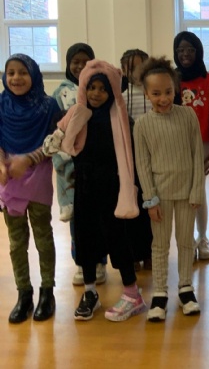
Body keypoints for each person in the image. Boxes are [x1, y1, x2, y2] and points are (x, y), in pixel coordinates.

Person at [44, 59, 146, 322]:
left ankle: (132, 293)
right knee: (85, 238)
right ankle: (90, 292)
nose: (96, 93)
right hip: (85, 187)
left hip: (112, 187)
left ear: (112, 91)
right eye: (92, 88)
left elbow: (130, 154)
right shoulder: (78, 113)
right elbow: (60, 145)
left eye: (102, 88)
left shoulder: (120, 118)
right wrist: (60, 135)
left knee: (117, 238)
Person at [134, 57, 205, 321]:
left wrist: (197, 191)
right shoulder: (142, 125)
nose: (163, 98)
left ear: (175, 89)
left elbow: (197, 156)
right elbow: (143, 165)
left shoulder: (188, 116)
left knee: (186, 242)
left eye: (167, 92)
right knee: (160, 245)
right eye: (156, 93)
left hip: (187, 194)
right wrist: (150, 200)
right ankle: (160, 293)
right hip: (159, 197)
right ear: (146, 93)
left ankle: (186, 288)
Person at [0, 54, 60, 323]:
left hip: (38, 176)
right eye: (11, 72)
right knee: (16, 242)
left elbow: (55, 142)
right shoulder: (1, 104)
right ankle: (24, 294)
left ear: (34, 75)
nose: (16, 78)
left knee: (43, 237)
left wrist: (28, 159)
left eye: (22, 72)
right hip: (9, 178)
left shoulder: (48, 106)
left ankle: (47, 292)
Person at [52, 43, 107, 287]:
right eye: (75, 61)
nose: (80, 66)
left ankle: (100, 262)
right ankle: (82, 263)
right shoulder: (60, 94)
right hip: (71, 168)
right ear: (68, 64)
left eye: (85, 61)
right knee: (78, 219)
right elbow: (56, 132)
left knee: (100, 216)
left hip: (97, 164)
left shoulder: (99, 90)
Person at [174, 31, 209, 260]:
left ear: (198, 52)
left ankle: (202, 238)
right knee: (181, 194)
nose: (185, 54)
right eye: (180, 50)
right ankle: (187, 241)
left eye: (190, 50)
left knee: (198, 192)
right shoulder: (172, 79)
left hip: (200, 143)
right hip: (174, 143)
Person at [120, 48, 153, 272]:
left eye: (140, 66)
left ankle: (149, 253)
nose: (136, 71)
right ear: (123, 70)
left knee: (150, 207)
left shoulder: (153, 93)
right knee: (132, 209)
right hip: (129, 161)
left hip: (153, 160)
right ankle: (133, 254)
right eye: (131, 68)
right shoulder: (120, 98)